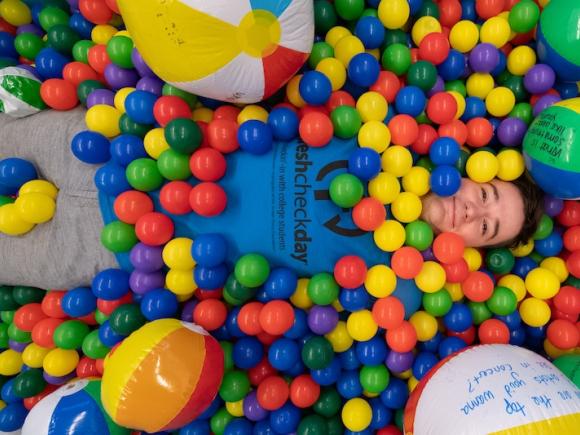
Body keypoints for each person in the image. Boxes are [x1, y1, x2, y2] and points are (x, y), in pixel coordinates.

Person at [0, 109, 543, 289]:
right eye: (488, 194)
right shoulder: (386, 127)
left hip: (112, 251)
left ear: (471, 249)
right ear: (474, 170)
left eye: (488, 227)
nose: (475, 210)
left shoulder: (393, 287)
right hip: (114, 150)